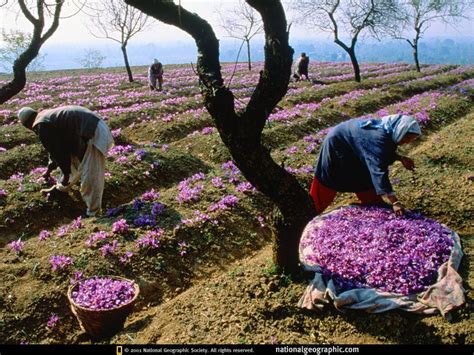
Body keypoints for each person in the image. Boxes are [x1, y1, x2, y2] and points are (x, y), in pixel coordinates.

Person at [310, 114, 421, 216]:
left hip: (352, 146)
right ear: (400, 130)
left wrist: (400, 158)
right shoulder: (378, 137)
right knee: (330, 178)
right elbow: (378, 170)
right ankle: (310, 212)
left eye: (410, 140)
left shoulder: (388, 130)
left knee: (363, 176)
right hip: (337, 145)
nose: (407, 142)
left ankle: (372, 201)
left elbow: (383, 151)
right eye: (406, 138)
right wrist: (395, 201)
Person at [18, 105, 114, 217]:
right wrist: (49, 169)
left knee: (91, 175)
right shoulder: (44, 117)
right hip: (88, 130)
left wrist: (66, 173)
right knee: (73, 161)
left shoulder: (42, 124)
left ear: (27, 125)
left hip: (93, 132)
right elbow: (55, 149)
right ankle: (61, 189)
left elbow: (58, 152)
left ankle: (93, 213)